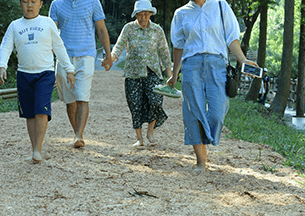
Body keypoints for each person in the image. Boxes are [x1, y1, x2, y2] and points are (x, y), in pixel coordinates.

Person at [168, 0, 257, 172]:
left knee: (217, 113)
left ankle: (204, 138)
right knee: (193, 113)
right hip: (191, 66)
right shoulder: (181, 13)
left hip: (217, 65)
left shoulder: (221, 6)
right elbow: (178, 47)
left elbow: (232, 38)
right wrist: (174, 73)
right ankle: (201, 162)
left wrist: (243, 60)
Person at [0, 0, 75, 164]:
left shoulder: (47, 23)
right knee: (29, 114)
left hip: (44, 74)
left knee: (41, 110)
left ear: (40, 4)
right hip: (24, 74)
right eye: (25, 2)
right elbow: (6, 46)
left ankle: (38, 149)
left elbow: (59, 46)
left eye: (33, 2)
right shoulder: (15, 25)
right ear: (20, 4)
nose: (29, 5)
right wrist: (1, 67)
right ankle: (34, 149)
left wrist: (69, 69)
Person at [49, 0, 113, 148]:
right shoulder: (56, 4)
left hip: (86, 55)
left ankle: (79, 135)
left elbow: (101, 29)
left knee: (82, 96)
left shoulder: (93, 2)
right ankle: (77, 133)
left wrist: (108, 55)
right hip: (63, 56)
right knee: (70, 99)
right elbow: (51, 32)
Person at [111, 0, 172, 147]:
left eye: (146, 14)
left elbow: (164, 53)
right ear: (135, 15)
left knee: (155, 101)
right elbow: (119, 46)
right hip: (133, 72)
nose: (143, 17)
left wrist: (170, 75)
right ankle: (139, 138)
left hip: (153, 72)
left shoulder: (157, 30)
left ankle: (150, 132)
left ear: (150, 14)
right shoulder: (129, 28)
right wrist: (111, 58)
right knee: (135, 104)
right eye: (140, 14)